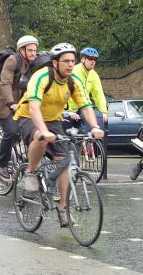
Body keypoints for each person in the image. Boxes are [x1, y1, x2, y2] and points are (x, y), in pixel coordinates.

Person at [13, 43, 104, 227]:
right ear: (55, 63)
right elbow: (34, 107)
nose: (70, 65)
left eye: (73, 61)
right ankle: (31, 173)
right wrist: (44, 132)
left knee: (64, 161)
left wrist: (94, 126)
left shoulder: (73, 81)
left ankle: (63, 209)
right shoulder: (42, 77)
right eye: (66, 61)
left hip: (53, 120)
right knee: (39, 137)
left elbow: (86, 106)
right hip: (27, 116)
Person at [0, 35, 39, 180]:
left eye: (35, 50)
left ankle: (27, 162)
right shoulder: (12, 61)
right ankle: (1, 164)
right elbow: (5, 84)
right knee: (11, 131)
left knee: (33, 130)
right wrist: (11, 103)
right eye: (30, 50)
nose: (33, 53)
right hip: (3, 102)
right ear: (21, 50)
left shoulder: (34, 64)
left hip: (21, 103)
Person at [66, 47, 108, 134]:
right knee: (66, 134)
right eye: (90, 58)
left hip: (83, 108)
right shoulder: (74, 71)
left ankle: (88, 146)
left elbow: (99, 95)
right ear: (82, 59)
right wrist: (69, 111)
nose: (93, 61)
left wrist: (104, 111)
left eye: (95, 59)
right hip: (68, 108)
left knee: (90, 132)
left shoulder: (94, 75)